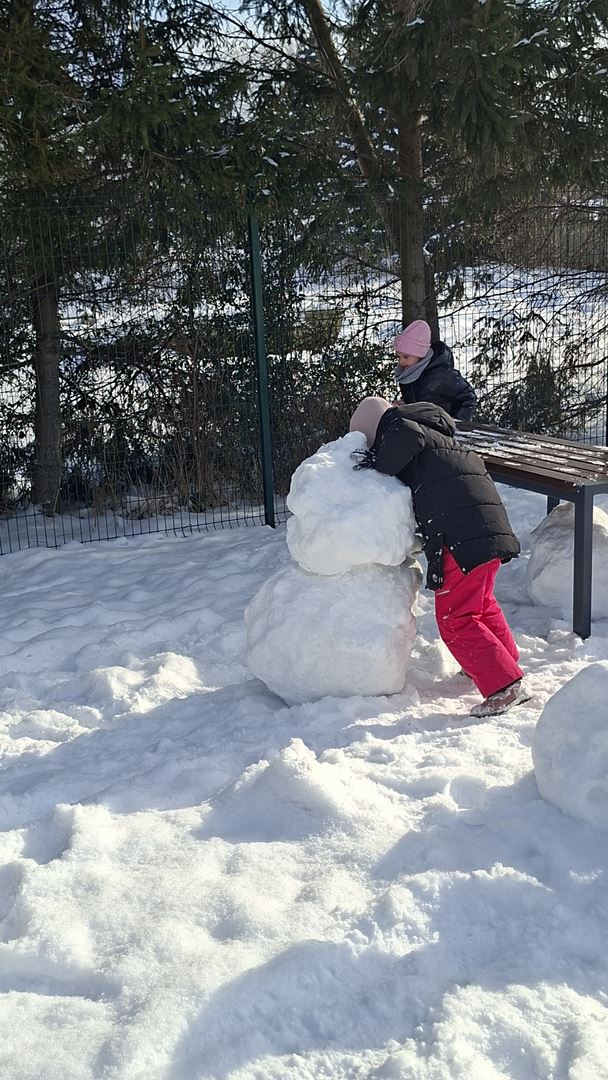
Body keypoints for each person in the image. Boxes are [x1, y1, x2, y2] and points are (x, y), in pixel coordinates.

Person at [349, 396, 530, 718]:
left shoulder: (402, 430)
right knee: (481, 605)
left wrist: (372, 460)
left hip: (461, 537)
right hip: (487, 530)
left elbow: (392, 459)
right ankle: (502, 664)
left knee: (455, 618)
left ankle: (505, 686)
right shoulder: (436, 436)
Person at [393, 319, 477, 421]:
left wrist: (457, 422)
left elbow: (468, 396)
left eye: (406, 357)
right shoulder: (407, 375)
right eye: (399, 357)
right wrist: (406, 406)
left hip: (443, 427)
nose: (401, 362)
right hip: (424, 425)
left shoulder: (442, 375)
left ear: (420, 355)